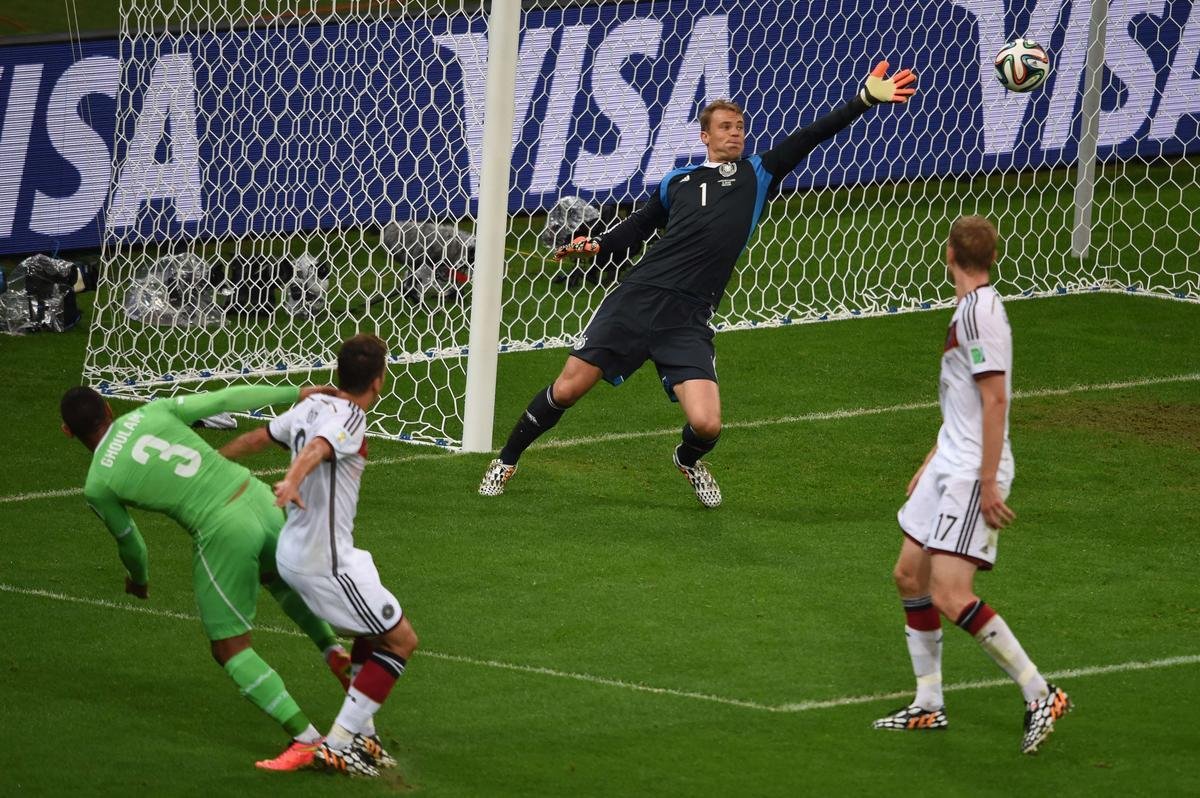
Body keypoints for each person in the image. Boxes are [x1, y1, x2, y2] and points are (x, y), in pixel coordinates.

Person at [479, 60, 917, 507]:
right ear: (704, 136)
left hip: (688, 318)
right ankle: (507, 459)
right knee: (568, 387)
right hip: (637, 299)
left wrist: (863, 100)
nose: (735, 133)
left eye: (740, 127)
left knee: (707, 424)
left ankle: (687, 460)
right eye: (725, 127)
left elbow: (809, 137)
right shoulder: (678, 182)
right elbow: (635, 230)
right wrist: (596, 246)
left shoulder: (758, 174)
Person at [59, 383, 354, 771]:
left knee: (229, 648)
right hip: (259, 497)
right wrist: (295, 392)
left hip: (221, 527)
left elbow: (133, 544)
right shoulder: (154, 411)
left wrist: (139, 580)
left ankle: (306, 740)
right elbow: (224, 400)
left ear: (68, 432)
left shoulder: (98, 483)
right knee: (277, 580)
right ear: (110, 409)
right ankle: (333, 651)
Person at [872, 215, 1071, 754]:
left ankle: (1040, 692)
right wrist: (931, 457)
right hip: (949, 463)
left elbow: (994, 399)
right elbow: (961, 401)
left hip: (971, 472)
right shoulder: (969, 308)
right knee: (909, 574)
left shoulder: (982, 315)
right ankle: (929, 704)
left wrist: (986, 480)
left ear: (948, 253)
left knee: (949, 592)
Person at [221, 334, 418, 778]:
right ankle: (340, 745)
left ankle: (362, 736)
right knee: (401, 640)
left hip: (305, 550)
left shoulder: (313, 405)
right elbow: (317, 449)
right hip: (323, 562)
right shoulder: (347, 416)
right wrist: (292, 481)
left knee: (372, 631)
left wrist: (209, 463)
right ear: (379, 381)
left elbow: (257, 437)